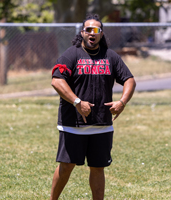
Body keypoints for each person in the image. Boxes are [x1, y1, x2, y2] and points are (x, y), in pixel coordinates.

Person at [50, 13, 136, 200]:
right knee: (66, 166)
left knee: (98, 168)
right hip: (73, 124)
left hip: (102, 124)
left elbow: (129, 80)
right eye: (88, 29)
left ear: (101, 34)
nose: (92, 33)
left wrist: (122, 102)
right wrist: (77, 102)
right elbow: (57, 81)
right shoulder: (71, 55)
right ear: (82, 32)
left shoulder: (111, 57)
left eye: (96, 30)